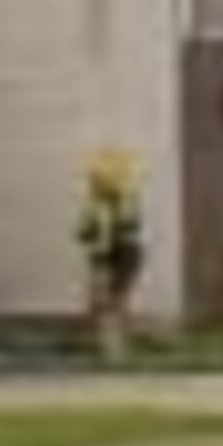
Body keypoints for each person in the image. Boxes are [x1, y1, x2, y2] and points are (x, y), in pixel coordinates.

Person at [75, 148, 149, 359]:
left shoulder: (121, 201)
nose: (93, 182)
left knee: (111, 303)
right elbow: (83, 231)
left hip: (118, 254)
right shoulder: (101, 203)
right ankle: (109, 345)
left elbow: (127, 226)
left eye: (96, 178)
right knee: (107, 303)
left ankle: (114, 348)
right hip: (111, 255)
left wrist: (95, 233)